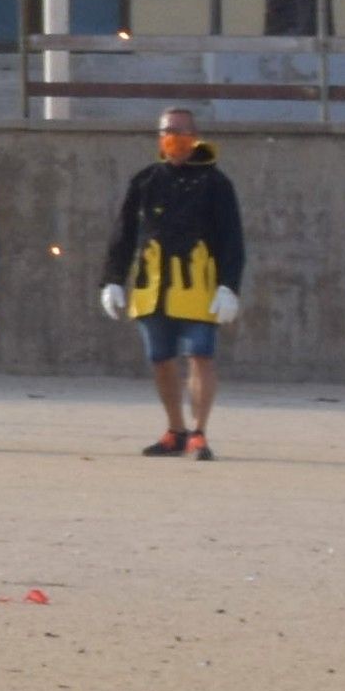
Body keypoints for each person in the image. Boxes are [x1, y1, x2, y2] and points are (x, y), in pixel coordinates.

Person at [97, 108, 244, 459]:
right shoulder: (146, 180)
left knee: (200, 355)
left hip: (197, 286)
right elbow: (124, 233)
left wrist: (229, 286)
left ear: (195, 136)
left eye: (179, 131)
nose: (172, 137)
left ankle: (199, 432)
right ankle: (175, 429)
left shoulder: (215, 183)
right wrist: (112, 280)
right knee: (160, 359)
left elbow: (232, 239)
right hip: (153, 287)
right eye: (166, 131)